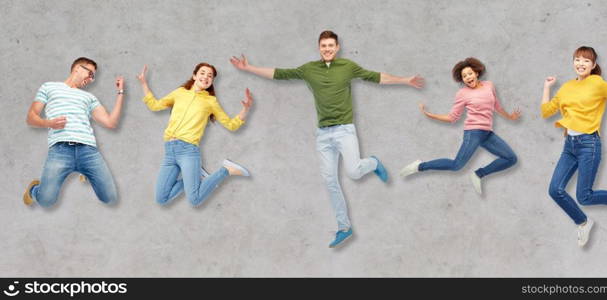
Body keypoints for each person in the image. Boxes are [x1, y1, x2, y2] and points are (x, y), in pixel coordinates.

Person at [230, 30, 424, 248]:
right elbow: (279, 73)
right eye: (324, 46)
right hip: (323, 134)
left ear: (337, 47)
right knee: (330, 181)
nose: (327, 49)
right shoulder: (309, 69)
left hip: (345, 131)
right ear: (319, 47)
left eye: (331, 45)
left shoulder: (348, 67)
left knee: (353, 172)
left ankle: (373, 162)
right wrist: (248, 68)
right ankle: (344, 227)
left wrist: (405, 80)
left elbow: (377, 77)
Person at [540, 46, 607, 247]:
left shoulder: (598, 83)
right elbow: (546, 111)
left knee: (584, 197)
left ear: (593, 65)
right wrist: (547, 88)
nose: (581, 63)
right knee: (554, 190)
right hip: (569, 145)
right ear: (573, 62)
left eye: (586, 60)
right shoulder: (566, 87)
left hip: (589, 145)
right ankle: (583, 222)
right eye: (577, 59)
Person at [137, 63, 253, 206]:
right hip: (169, 151)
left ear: (211, 82)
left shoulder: (210, 101)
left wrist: (245, 110)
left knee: (195, 199)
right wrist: (143, 83)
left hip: (188, 151)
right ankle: (197, 175)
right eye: (203, 73)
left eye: (210, 76)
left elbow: (231, 124)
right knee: (161, 199)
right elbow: (155, 105)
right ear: (194, 76)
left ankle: (225, 170)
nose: (206, 77)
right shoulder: (180, 92)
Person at [400, 57, 520, 195]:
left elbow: (496, 106)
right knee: (456, 165)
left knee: (511, 158)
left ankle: (479, 174)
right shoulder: (462, 94)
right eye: (464, 76)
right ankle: (419, 166)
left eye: (469, 74)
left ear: (476, 73)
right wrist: (429, 114)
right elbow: (452, 117)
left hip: (487, 133)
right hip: (473, 133)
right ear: (462, 80)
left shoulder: (489, 85)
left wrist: (510, 116)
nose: (468, 77)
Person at [23, 57, 124, 207]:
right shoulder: (49, 87)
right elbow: (31, 118)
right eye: (90, 74)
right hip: (60, 150)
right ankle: (34, 190)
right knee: (46, 200)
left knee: (110, 198)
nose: (91, 79)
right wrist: (48, 123)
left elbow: (111, 123)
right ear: (77, 68)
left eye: (93, 77)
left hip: (88, 151)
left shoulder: (89, 97)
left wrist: (120, 92)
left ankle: (86, 172)